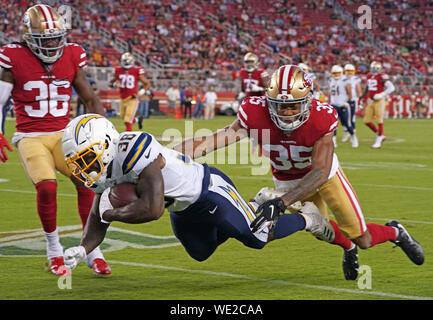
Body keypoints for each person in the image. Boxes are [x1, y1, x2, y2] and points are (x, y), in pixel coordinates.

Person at [173, 65, 424, 280]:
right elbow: (212, 141)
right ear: (269, 102)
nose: (287, 113)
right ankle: (347, 247)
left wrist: (281, 203)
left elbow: (321, 170)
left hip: (323, 178)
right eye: (280, 106)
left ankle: (395, 232)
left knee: (364, 239)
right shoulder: (254, 112)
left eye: (293, 106)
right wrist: (165, 156)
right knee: (320, 230)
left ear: (307, 100)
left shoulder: (321, 117)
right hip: (284, 179)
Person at [60, 114, 334, 271]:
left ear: (106, 143)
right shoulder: (104, 171)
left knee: (257, 237)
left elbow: (153, 210)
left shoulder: (133, 146)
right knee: (201, 252)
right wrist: (82, 248)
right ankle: (252, 204)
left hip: (206, 189)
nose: (85, 168)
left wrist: (114, 212)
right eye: (79, 163)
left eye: (87, 158)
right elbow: (97, 220)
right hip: (182, 207)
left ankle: (308, 219)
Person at [0, 4, 111, 276]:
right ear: (29, 37)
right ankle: (53, 249)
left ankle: (92, 250)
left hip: (66, 135)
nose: (51, 44)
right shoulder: (12, 56)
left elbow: (90, 98)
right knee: (47, 187)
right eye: (45, 39)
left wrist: (108, 132)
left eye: (55, 37)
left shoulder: (72, 54)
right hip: (30, 135)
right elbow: (0, 101)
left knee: (90, 184)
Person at [109, 52, 150, 131]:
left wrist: (141, 92)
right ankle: (138, 120)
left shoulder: (136, 70)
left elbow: (147, 84)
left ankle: (128, 137)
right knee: (123, 117)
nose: (126, 63)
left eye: (127, 61)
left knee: (127, 120)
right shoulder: (118, 70)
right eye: (125, 61)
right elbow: (110, 83)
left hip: (132, 98)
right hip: (122, 98)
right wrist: (114, 84)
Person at [360, 61, 395, 149]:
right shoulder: (369, 75)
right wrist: (362, 96)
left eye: (376, 69)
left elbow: (391, 88)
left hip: (379, 101)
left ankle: (378, 142)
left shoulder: (382, 76)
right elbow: (368, 87)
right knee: (366, 121)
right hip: (371, 101)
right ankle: (380, 135)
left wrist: (382, 94)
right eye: (373, 68)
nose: (374, 70)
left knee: (379, 121)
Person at [328, 65, 358, 148]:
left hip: (343, 106)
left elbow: (350, 93)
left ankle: (353, 136)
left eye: (338, 73)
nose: (336, 75)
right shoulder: (331, 80)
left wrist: (347, 102)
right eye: (334, 73)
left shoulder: (345, 81)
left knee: (347, 123)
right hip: (334, 105)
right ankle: (333, 141)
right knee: (333, 124)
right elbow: (330, 93)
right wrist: (329, 103)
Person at [343, 64, 362, 143]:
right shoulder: (342, 78)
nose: (350, 73)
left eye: (351, 71)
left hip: (352, 100)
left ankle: (352, 135)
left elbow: (359, 91)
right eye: (348, 71)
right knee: (343, 118)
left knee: (352, 118)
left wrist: (359, 101)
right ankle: (346, 132)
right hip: (343, 101)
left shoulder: (355, 79)